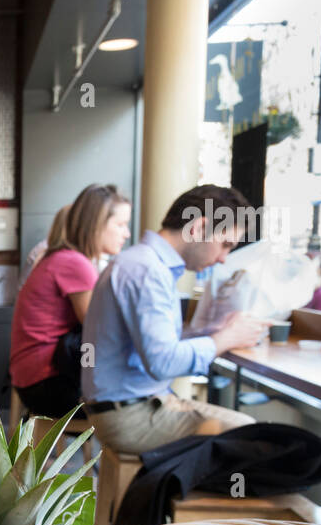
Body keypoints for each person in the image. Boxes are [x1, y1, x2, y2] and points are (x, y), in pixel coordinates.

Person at [81, 184, 270, 455]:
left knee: (249, 432)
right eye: (225, 245)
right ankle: (169, 495)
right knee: (252, 439)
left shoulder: (145, 264)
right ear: (199, 228)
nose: (222, 259)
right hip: (128, 417)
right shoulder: (146, 270)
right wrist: (225, 338)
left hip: (135, 405)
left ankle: (166, 492)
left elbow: (157, 347)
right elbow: (163, 362)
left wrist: (216, 332)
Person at [10, 186, 130, 418]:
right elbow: (99, 329)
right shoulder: (75, 263)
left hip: (32, 379)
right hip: (48, 385)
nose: (126, 233)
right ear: (96, 225)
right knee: (137, 405)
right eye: (120, 225)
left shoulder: (60, 257)